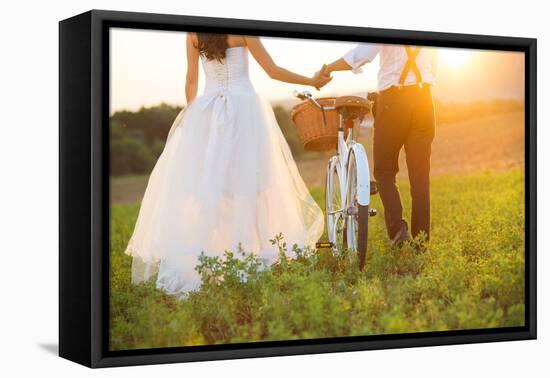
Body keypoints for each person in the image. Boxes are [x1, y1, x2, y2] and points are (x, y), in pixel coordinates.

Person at [125, 33, 331, 296]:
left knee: (214, 187)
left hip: (210, 111)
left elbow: (191, 79)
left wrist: (194, 118)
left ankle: (212, 257)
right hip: (244, 110)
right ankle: (249, 254)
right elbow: (272, 70)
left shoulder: (193, 35)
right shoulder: (243, 32)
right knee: (252, 187)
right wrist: (312, 81)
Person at [321, 44, 438, 246]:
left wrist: (328, 68)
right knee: (420, 177)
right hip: (424, 101)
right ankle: (421, 243)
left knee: (384, 171)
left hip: (394, 102)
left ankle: (398, 230)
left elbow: (359, 55)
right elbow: (433, 65)